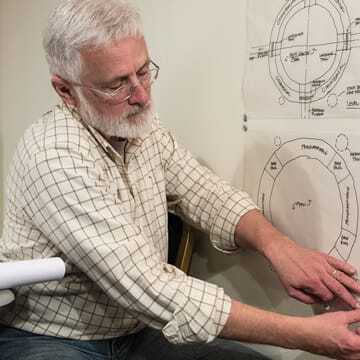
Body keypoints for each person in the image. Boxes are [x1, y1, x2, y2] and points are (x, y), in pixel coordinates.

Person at [1, 0, 360, 359]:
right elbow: (149, 287)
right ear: (66, 91)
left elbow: (203, 192)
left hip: (136, 330)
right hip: (51, 337)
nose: (141, 96)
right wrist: (302, 334)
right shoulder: (53, 156)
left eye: (143, 71)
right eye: (116, 85)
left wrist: (278, 246)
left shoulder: (139, 128)